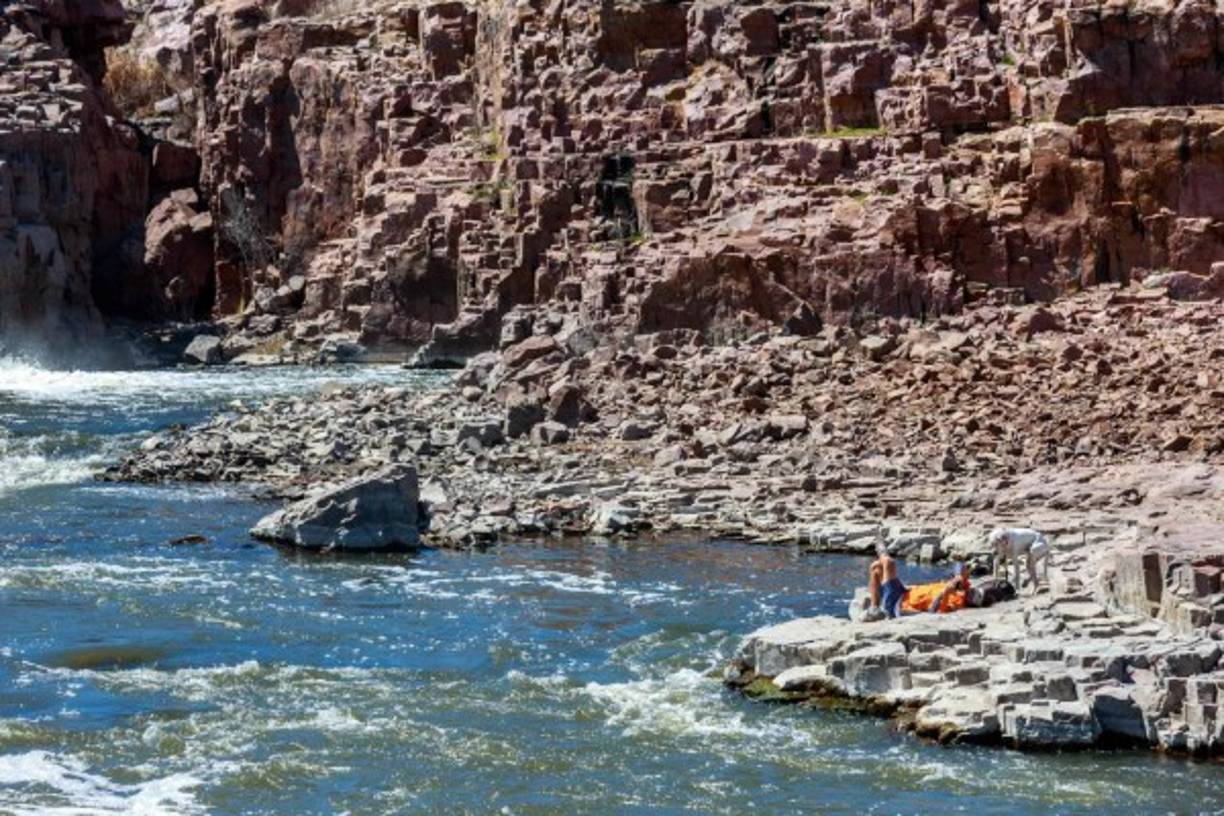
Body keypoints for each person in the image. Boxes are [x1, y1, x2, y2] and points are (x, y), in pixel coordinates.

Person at [867, 545, 906, 619]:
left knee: (886, 562)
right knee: (876, 569)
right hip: (907, 594)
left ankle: (882, 554)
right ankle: (874, 608)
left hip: (900, 602)